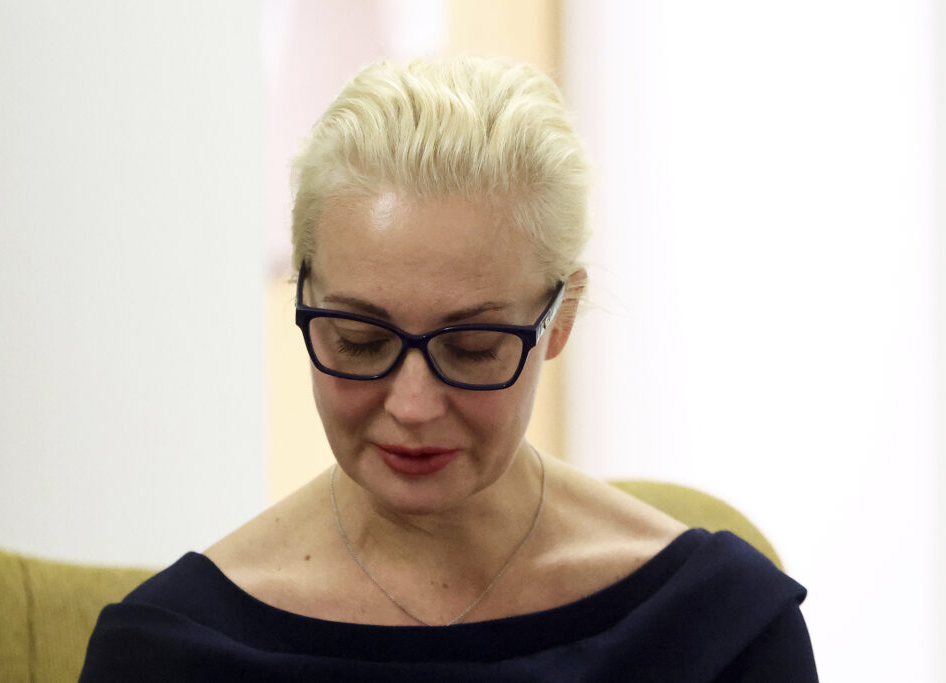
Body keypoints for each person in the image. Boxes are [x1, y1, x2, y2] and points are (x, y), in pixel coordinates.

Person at [79, 56, 818, 682]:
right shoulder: (166, 650)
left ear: (557, 320)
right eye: (360, 339)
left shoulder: (720, 630)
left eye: (471, 347)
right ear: (303, 297)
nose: (413, 404)